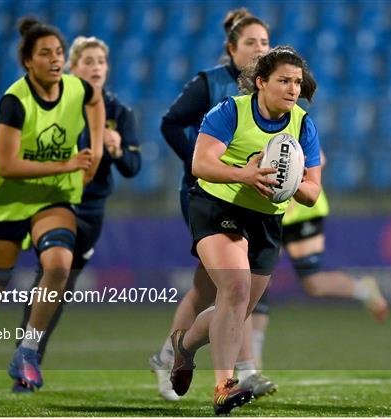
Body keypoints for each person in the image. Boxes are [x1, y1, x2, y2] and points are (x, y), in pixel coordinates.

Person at [0, 17, 105, 402]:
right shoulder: (15, 100)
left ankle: (27, 351)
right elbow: (9, 166)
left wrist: (94, 148)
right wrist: (68, 164)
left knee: (60, 265)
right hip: (7, 200)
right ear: (28, 62)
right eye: (45, 53)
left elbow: (94, 99)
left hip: (52, 197)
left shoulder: (76, 88)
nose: (55, 59)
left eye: (59, 53)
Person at [0, 35, 142, 392]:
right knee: (38, 276)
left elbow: (133, 166)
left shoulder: (119, 113)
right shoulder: (62, 99)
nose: (96, 67)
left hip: (89, 209)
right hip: (47, 199)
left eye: (101, 61)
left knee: (56, 286)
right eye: (89, 61)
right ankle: (18, 359)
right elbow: (29, 142)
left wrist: (114, 151)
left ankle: (28, 356)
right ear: (73, 68)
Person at [169, 46, 321, 415]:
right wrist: (246, 174)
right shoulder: (230, 111)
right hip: (218, 206)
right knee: (234, 288)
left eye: (297, 82)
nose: (292, 89)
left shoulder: (302, 125)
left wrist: (293, 183)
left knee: (236, 309)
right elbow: (201, 163)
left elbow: (312, 193)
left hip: (266, 220)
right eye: (283, 80)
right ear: (260, 82)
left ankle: (184, 346)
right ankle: (224, 386)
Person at [150, 8, 277, 401]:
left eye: (264, 42)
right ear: (231, 49)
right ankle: (235, 370)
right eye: (251, 42)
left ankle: (173, 353)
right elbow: (171, 122)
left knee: (214, 289)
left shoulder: (270, 88)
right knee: (230, 285)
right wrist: (204, 162)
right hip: (208, 198)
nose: (259, 48)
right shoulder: (210, 84)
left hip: (252, 200)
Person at [250, 154, 389, 369]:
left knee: (313, 283)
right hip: (265, 210)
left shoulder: (297, 121)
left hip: (303, 211)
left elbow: (319, 159)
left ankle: (363, 288)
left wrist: (292, 185)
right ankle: (253, 359)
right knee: (258, 280)